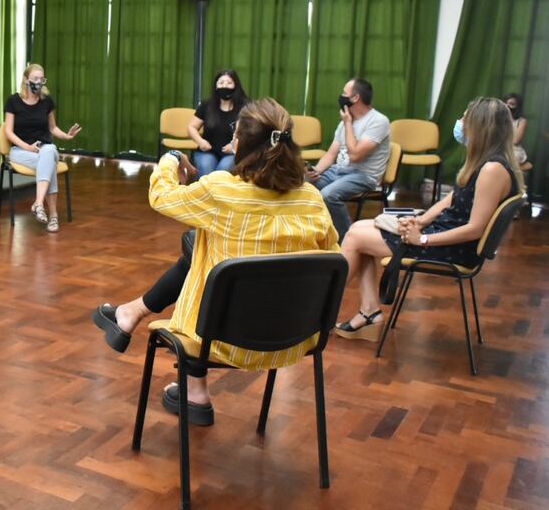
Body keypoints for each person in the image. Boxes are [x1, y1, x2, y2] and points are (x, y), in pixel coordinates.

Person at [95, 99, 339, 426]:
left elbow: (161, 196)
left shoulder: (221, 192)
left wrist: (170, 158)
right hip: (295, 339)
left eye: (235, 136)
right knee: (199, 247)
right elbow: (333, 258)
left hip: (220, 341)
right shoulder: (311, 199)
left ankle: (189, 381)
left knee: (200, 250)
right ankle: (134, 315)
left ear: (241, 145)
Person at [335, 97, 523, 340]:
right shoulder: (486, 163)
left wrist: (421, 239)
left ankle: (319, 314)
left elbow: (475, 229)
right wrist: (421, 221)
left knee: (354, 236)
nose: (460, 123)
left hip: (454, 249)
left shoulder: (492, 170)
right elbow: (453, 198)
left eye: (465, 118)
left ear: (480, 126)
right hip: (442, 233)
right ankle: (369, 311)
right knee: (359, 228)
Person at [306, 77, 391, 242]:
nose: (341, 96)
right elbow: (331, 154)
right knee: (304, 185)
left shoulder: (379, 121)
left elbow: (355, 155)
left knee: (328, 195)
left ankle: (347, 240)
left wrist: (348, 124)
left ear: (355, 98)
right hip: (338, 171)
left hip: (363, 175)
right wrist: (314, 172)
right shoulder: (346, 120)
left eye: (345, 93)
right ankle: (317, 234)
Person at [4, 63, 81, 233]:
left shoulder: (47, 101)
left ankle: (38, 204)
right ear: (26, 80)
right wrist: (27, 147)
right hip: (20, 151)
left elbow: (52, 128)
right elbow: (8, 131)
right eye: (35, 79)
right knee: (49, 162)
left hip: (43, 148)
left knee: (49, 151)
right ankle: (52, 216)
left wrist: (67, 136)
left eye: (42, 79)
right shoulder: (13, 101)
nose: (39, 82)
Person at [187, 69, 248, 178]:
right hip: (208, 151)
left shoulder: (244, 106)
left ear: (236, 86)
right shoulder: (207, 105)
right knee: (206, 168)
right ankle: (203, 194)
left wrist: (234, 145)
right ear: (216, 86)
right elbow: (191, 127)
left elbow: (247, 132)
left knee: (222, 170)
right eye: (221, 83)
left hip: (234, 152)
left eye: (229, 83)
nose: (224, 86)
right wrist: (200, 141)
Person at [504, 93, 528, 164]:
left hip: (514, 150)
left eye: (511, 104)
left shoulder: (522, 121)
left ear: (517, 106)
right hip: (500, 149)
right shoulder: (500, 119)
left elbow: (516, 141)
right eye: (506, 103)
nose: (507, 106)